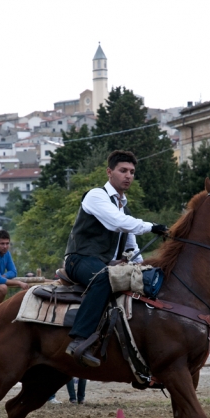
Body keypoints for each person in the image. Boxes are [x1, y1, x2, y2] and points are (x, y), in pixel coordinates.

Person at [63, 150, 168, 368]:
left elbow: (131, 245)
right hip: (79, 259)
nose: (128, 175)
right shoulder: (95, 195)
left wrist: (141, 266)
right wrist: (152, 227)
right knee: (104, 278)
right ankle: (79, 340)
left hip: (102, 263)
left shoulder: (123, 206)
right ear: (109, 172)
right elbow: (116, 222)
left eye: (132, 172)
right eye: (123, 171)